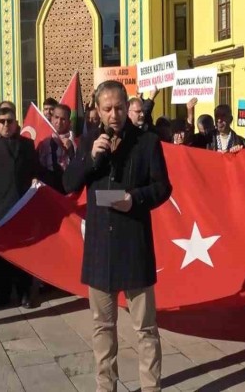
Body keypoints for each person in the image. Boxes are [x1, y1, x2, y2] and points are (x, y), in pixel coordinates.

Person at [63, 80, 171, 392]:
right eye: (107, 108)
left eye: (119, 107)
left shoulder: (147, 142)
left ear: (128, 106)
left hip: (134, 242)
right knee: (102, 326)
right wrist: (88, 159)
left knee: (146, 328)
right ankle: (105, 385)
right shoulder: (88, 142)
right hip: (100, 248)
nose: (114, 114)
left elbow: (163, 187)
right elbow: (69, 183)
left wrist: (135, 198)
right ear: (97, 110)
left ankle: (151, 387)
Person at [0, 107, 42, 309]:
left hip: (22, 208)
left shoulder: (27, 145)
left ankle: (24, 293)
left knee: (23, 254)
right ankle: (2, 295)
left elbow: (35, 172)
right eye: (2, 121)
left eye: (10, 121)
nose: (6, 125)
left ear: (16, 124)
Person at [38, 104, 76, 194]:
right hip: (48, 185)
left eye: (63, 119)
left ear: (69, 122)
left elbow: (79, 166)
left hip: (67, 186)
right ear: (51, 118)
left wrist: (71, 150)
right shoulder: (44, 141)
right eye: (56, 117)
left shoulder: (76, 142)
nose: (59, 121)